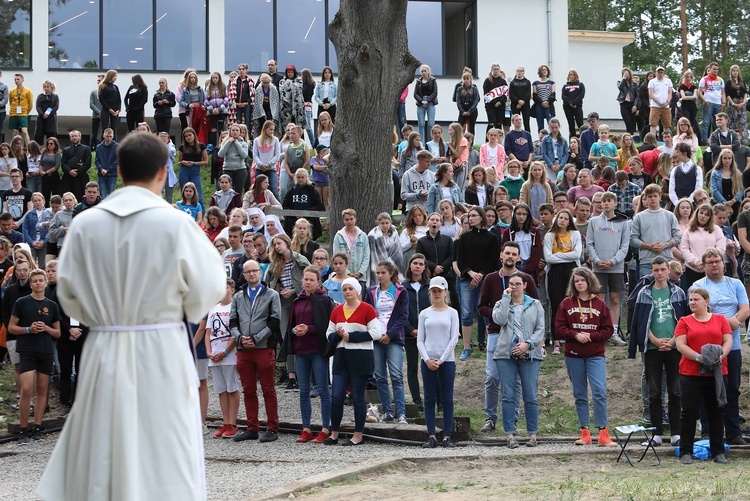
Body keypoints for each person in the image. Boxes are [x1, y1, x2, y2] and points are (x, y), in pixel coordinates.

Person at [38, 132, 226, 499]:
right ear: (162, 172)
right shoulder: (175, 224)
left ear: (119, 171)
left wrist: (102, 316)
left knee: (104, 438)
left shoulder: (87, 224)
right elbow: (210, 286)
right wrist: (181, 310)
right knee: (164, 441)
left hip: (104, 346)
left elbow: (70, 296)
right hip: (162, 346)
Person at [692, 248, 750, 447]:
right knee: (707, 390)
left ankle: (733, 432)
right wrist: (725, 323)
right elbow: (700, 312)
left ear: (723, 263)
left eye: (717, 261)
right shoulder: (698, 285)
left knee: (732, 389)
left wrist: (734, 321)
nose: (714, 265)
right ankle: (707, 432)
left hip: (732, 346)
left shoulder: (735, 284)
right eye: (710, 262)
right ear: (704, 265)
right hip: (707, 348)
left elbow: (745, 308)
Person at [629, 256, 688, 447]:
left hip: (674, 347)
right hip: (652, 347)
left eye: (663, 269)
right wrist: (653, 339)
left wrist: (672, 341)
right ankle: (656, 434)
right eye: (656, 270)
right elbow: (639, 320)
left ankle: (676, 433)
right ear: (651, 271)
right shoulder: (644, 293)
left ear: (668, 270)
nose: (660, 273)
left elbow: (684, 320)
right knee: (654, 392)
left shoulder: (678, 292)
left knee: (675, 391)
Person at [555, 267, 616, 447]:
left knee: (599, 390)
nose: (579, 283)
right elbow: (559, 328)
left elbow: (608, 330)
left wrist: (591, 336)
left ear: (590, 281)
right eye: (576, 281)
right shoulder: (566, 303)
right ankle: (585, 432)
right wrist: (575, 335)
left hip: (595, 354)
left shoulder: (600, 304)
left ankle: (603, 432)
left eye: (582, 280)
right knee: (580, 394)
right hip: (573, 355)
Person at [674, 287, 732, 464]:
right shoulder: (684, 321)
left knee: (716, 412)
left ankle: (718, 451)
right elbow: (680, 345)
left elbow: (728, 340)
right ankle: (686, 451)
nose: (691, 302)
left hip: (717, 373)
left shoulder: (720, 319)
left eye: (696, 299)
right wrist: (700, 358)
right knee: (689, 413)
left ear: (706, 302)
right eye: (690, 299)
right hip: (691, 374)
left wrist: (720, 356)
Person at [230, 259, 282, 444]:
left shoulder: (271, 294)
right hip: (243, 349)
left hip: (263, 348)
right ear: (243, 275)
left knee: (268, 389)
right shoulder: (238, 296)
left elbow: (275, 320)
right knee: (248, 390)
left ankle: (272, 427)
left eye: (254, 271)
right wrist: (239, 337)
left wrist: (257, 338)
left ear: (260, 272)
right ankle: (252, 427)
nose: (251, 274)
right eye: (248, 272)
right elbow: (233, 321)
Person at [325, 278, 382, 446]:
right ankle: (334, 433)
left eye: (350, 288)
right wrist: (338, 335)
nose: (347, 292)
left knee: (357, 395)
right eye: (344, 289)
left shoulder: (367, 309)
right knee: (337, 396)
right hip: (341, 357)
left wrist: (352, 337)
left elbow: (376, 333)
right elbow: (328, 334)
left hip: (361, 357)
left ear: (357, 290)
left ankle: (358, 435)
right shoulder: (337, 310)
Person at [491, 271, 544, 448]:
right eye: (511, 284)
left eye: (517, 284)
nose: (513, 287)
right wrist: (506, 299)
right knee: (508, 395)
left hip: (530, 354)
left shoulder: (535, 305)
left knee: (530, 395)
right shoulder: (501, 303)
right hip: (506, 354)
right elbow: (499, 320)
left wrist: (527, 344)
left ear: (525, 285)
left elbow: (540, 329)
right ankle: (509, 435)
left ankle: (533, 435)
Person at [283, 266, 336, 443]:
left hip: (317, 351)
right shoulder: (297, 302)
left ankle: (325, 428)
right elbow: (292, 324)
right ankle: (306, 428)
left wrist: (310, 329)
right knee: (303, 390)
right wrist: (294, 329)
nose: (308, 282)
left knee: (322, 389)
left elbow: (328, 325)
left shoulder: (324, 300)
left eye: (311, 279)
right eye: (306, 279)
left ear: (319, 282)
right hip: (301, 351)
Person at [9, 268, 61, 444]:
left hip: (45, 350)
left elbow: (58, 333)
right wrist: (28, 329)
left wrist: (46, 328)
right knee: (27, 389)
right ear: (31, 284)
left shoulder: (52, 305)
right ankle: (23, 429)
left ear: (46, 282)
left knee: (42, 389)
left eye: (41, 280)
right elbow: (11, 327)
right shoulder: (22, 302)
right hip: (27, 349)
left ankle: (37, 427)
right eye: (35, 280)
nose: (38, 283)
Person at [416, 275, 459, 448]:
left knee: (447, 398)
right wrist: (427, 359)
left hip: (446, 361)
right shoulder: (424, 313)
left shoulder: (452, 312)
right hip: (428, 360)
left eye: (439, 291)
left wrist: (441, 359)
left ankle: (447, 436)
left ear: (445, 292)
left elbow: (454, 337)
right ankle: (432, 435)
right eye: (433, 291)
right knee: (429, 398)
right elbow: (420, 339)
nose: (436, 294)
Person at [364, 260, 409, 423]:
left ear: (391, 273)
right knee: (380, 377)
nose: (380, 276)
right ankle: (388, 412)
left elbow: (403, 316)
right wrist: (375, 334)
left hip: (394, 339)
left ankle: (402, 413)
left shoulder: (400, 291)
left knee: (396, 376)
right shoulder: (371, 292)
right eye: (378, 273)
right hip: (376, 338)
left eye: (383, 272)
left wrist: (390, 334)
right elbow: (367, 314)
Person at [456, 206, 499, 360]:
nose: (470, 219)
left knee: (487, 313)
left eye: (474, 216)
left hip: (486, 279)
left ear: (481, 217)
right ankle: (467, 347)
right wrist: (471, 273)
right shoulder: (464, 238)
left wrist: (480, 275)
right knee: (467, 313)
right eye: (469, 216)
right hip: (467, 279)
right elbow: (460, 260)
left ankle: (490, 346)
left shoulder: (492, 238)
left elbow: (493, 260)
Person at [587, 192, 630, 345]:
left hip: (616, 268)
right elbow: (590, 244)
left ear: (615, 203)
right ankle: (600, 331)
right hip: (598, 268)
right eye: (602, 201)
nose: (605, 204)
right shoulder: (593, 221)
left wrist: (613, 261)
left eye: (608, 201)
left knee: (614, 299)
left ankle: (614, 332)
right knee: (599, 300)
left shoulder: (624, 222)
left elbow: (625, 246)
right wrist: (597, 260)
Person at [205, 278, 240, 439]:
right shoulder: (213, 309)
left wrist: (225, 352)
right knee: (221, 390)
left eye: (225, 287)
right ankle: (225, 421)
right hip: (214, 354)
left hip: (229, 355)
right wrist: (209, 351)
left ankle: (233, 423)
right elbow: (208, 333)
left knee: (231, 388)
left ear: (232, 289)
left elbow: (235, 333)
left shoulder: (235, 306)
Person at [543, 208, 581, 355]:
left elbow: (577, 254)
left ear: (569, 221)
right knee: (557, 305)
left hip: (572, 271)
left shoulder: (575, 234)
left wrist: (558, 254)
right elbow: (548, 258)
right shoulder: (550, 236)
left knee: (573, 303)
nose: (562, 220)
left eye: (565, 218)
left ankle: (572, 338)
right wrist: (566, 255)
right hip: (555, 272)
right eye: (560, 218)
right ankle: (557, 341)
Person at [630, 183, 682, 277]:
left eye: (655, 196)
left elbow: (677, 237)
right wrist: (649, 246)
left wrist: (665, 245)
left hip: (666, 260)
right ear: (645, 198)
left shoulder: (670, 216)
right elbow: (633, 239)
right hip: (646, 262)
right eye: (650, 196)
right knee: (647, 290)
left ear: (660, 197)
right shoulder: (639, 217)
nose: (653, 199)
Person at [679, 205, 726, 284]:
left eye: (706, 215)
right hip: (693, 269)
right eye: (701, 213)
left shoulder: (716, 230)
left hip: (712, 269)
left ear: (710, 217)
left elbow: (721, 248)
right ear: (697, 214)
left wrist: (709, 261)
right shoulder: (688, 231)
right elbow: (684, 249)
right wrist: (696, 261)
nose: (703, 216)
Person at [332, 208, 370, 290]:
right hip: (344, 276)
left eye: (351, 219)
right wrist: (348, 272)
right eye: (347, 219)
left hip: (360, 277)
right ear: (343, 220)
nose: (349, 222)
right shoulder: (339, 236)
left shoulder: (363, 236)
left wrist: (360, 272)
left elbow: (366, 256)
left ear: (355, 219)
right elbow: (336, 255)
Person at [698, 62, 726, 145]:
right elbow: (699, 92)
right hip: (708, 103)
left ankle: (716, 141)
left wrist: (724, 102)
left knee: (717, 123)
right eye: (714, 69)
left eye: (717, 69)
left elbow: (723, 92)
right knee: (706, 122)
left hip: (718, 103)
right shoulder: (704, 79)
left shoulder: (720, 80)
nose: (715, 71)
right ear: (709, 69)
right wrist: (705, 100)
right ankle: (704, 141)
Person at [59, 130, 91, 203]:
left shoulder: (86, 149)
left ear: (80, 137)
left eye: (76, 136)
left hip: (81, 177)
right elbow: (63, 164)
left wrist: (78, 172)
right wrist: (69, 171)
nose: (74, 137)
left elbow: (87, 163)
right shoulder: (66, 150)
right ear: (70, 138)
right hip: (68, 178)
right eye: (72, 136)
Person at [669, 142, 703, 207]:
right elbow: (671, 189)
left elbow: (698, 188)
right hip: (677, 205)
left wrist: (688, 202)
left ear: (685, 153)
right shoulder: (675, 170)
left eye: (678, 153)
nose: (677, 155)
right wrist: (677, 203)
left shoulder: (697, 169)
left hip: (692, 205)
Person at [648, 66, 674, 137]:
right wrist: (659, 102)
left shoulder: (668, 81)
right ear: (656, 73)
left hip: (666, 106)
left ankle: (667, 139)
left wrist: (667, 102)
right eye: (658, 72)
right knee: (653, 124)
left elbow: (670, 93)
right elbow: (651, 94)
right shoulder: (652, 82)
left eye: (661, 72)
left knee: (667, 125)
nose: (660, 74)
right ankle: (652, 139)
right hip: (655, 106)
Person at [8, 74, 33, 145]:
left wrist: (26, 112)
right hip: (13, 113)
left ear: (22, 80)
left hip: (23, 113)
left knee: (24, 131)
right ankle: (15, 149)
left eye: (18, 79)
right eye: (15, 80)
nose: (16, 81)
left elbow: (30, 104)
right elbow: (11, 101)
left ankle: (29, 148)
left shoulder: (27, 91)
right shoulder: (12, 91)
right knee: (15, 132)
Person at [94, 128, 118, 199]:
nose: (109, 138)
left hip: (112, 174)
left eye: (110, 136)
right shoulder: (99, 147)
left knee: (111, 196)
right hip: (101, 174)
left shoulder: (117, 146)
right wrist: (101, 169)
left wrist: (108, 170)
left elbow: (117, 161)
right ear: (104, 135)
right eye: (107, 136)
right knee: (102, 196)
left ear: (113, 136)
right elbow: (97, 160)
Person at [34, 80, 59, 146]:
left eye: (47, 87)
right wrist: (42, 114)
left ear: (51, 87)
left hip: (51, 119)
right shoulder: (40, 96)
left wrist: (48, 114)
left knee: (51, 136)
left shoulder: (55, 97)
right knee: (39, 135)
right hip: (41, 119)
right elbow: (38, 106)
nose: (46, 88)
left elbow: (55, 107)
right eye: (44, 87)